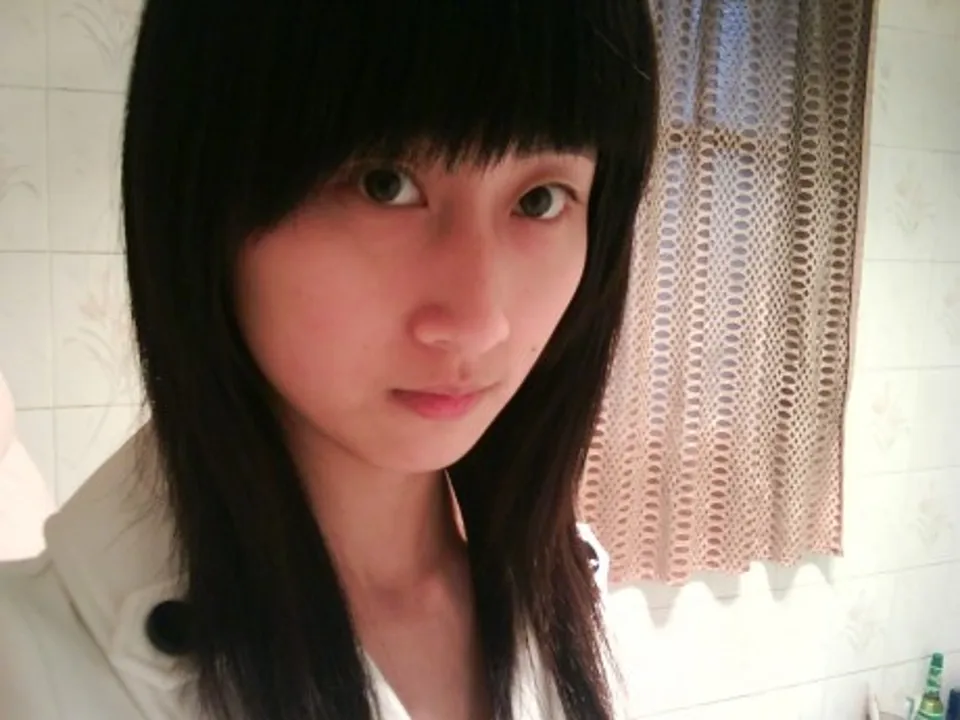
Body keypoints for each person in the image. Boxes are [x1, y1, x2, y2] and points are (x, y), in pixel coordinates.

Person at [0, 0, 658, 717]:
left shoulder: (588, 609)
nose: (477, 323)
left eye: (539, 200)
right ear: (206, 190)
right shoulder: (26, 669)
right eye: (385, 183)